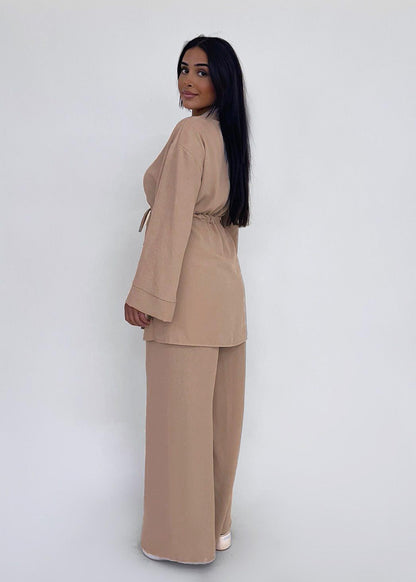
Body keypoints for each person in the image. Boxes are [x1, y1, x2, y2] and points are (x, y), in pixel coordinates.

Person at [124, 34, 251, 565]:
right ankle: (217, 527)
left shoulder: (191, 133)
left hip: (183, 295)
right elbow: (229, 226)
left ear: (223, 78)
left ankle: (180, 540)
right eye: (183, 69)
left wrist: (147, 293)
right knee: (219, 421)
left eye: (201, 71)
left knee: (180, 423)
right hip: (225, 294)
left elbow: (173, 218)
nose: (187, 81)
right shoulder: (231, 137)